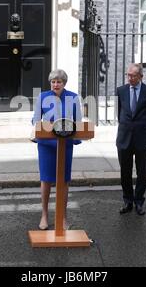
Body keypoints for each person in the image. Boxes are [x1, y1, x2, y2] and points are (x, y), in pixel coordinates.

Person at [32, 69, 82, 230]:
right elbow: (36, 119)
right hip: (46, 144)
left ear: (64, 83)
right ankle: (44, 215)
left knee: (64, 180)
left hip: (65, 143)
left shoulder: (73, 97)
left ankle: (63, 217)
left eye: (59, 82)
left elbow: (78, 121)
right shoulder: (42, 97)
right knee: (46, 179)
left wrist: (76, 138)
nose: (55, 84)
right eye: (53, 82)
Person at [116, 63, 146, 216]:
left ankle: (139, 202)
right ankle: (127, 201)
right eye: (128, 75)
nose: (130, 78)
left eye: (133, 76)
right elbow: (119, 113)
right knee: (125, 172)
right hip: (124, 138)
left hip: (142, 138)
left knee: (141, 172)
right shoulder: (121, 91)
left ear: (141, 76)